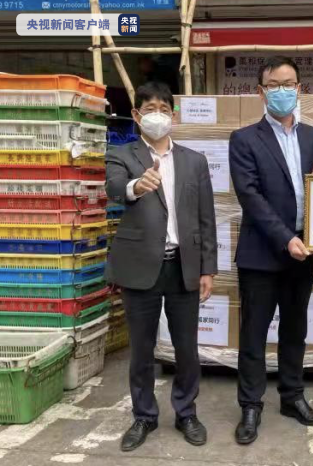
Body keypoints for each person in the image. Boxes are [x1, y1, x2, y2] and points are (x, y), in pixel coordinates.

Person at [229, 56, 313, 445]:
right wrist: (284, 238)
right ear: (261, 92)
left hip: (304, 251)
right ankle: (250, 405)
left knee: (295, 329)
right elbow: (250, 197)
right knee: (254, 334)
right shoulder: (244, 139)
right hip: (262, 253)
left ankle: (292, 396)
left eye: (288, 84)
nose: (282, 91)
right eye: (273, 85)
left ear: (299, 89)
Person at [105, 82, 217, 452]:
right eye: (150, 109)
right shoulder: (122, 154)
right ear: (136, 115)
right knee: (141, 349)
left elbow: (206, 218)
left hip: (183, 265)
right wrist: (138, 185)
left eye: (164, 109)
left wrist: (208, 268)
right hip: (141, 267)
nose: (158, 115)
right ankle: (144, 416)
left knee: (187, 348)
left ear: (174, 115)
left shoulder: (194, 161)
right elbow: (114, 188)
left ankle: (186, 413)